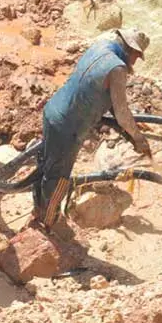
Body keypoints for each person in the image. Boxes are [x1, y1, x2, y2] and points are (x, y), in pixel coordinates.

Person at [32, 28, 152, 230]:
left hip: (53, 111)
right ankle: (48, 223)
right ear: (130, 49)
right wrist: (139, 139)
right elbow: (121, 113)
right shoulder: (117, 69)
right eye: (137, 56)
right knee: (59, 177)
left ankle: (39, 210)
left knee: (45, 166)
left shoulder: (99, 47)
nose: (135, 61)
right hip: (68, 128)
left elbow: (96, 92)